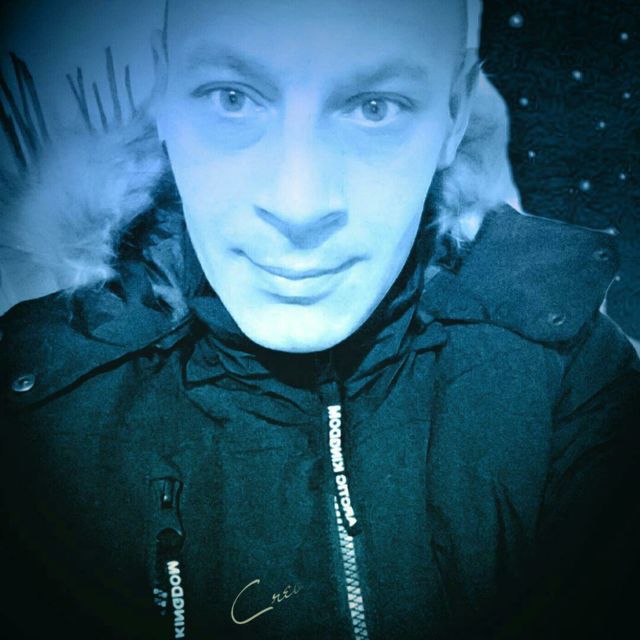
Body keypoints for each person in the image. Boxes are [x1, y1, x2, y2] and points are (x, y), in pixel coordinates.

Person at [0, 1, 638, 638]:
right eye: (231, 98)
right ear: (164, 94)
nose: (298, 204)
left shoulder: (566, 376)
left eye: (375, 107)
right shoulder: (32, 413)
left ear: (454, 114)